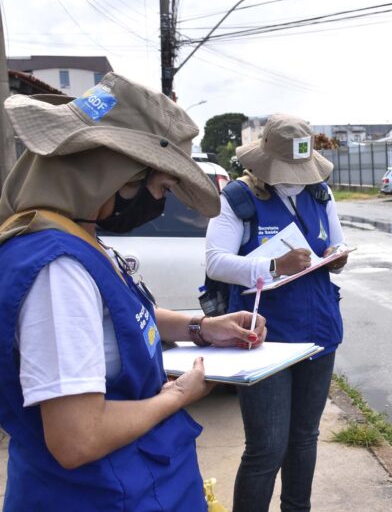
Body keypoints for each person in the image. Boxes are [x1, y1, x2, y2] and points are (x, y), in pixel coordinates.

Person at [0, 73, 267, 511]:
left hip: (133, 485)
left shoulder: (76, 237)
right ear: (115, 174)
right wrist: (177, 397)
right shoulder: (57, 269)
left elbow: (115, 314)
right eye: (160, 188)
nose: (159, 204)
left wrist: (201, 326)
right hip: (105, 495)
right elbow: (77, 438)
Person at [206, 113, 348, 511]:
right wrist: (272, 266)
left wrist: (335, 258)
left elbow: (335, 244)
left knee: (304, 438)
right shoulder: (238, 199)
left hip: (319, 331)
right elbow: (215, 261)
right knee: (267, 446)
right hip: (262, 338)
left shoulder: (320, 193)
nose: (297, 177)